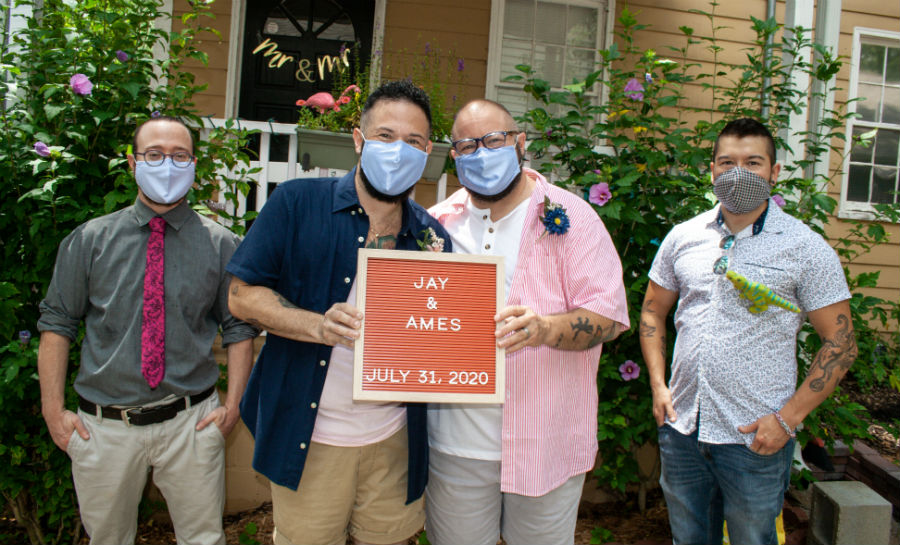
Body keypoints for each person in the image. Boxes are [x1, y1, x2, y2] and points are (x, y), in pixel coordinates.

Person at [226, 80, 452, 545]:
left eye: (412, 142)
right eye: (385, 136)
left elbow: (435, 335)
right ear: (358, 139)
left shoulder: (433, 238)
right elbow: (242, 296)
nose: (397, 151)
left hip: (394, 440)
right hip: (312, 439)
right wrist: (316, 324)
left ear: (428, 151)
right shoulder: (296, 204)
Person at [37, 115, 258, 545]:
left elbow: (238, 328)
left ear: (194, 164)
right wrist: (52, 410)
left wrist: (233, 407)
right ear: (132, 162)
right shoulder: (89, 241)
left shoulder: (221, 245)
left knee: (203, 539)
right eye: (154, 155)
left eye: (179, 155)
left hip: (190, 424)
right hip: (104, 428)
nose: (167, 165)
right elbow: (57, 325)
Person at [640, 117, 857, 545]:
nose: (738, 172)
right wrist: (658, 385)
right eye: (727, 162)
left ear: (775, 172)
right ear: (712, 169)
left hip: (757, 437)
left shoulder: (806, 248)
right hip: (683, 427)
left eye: (753, 162)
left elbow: (842, 343)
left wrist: (788, 419)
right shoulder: (683, 237)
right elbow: (652, 311)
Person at [425, 99, 630, 545]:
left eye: (494, 140)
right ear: (453, 156)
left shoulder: (573, 217)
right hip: (454, 444)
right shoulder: (434, 226)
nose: (481, 153)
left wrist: (546, 329)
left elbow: (609, 319)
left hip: (546, 442)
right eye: (467, 145)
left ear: (520, 142)